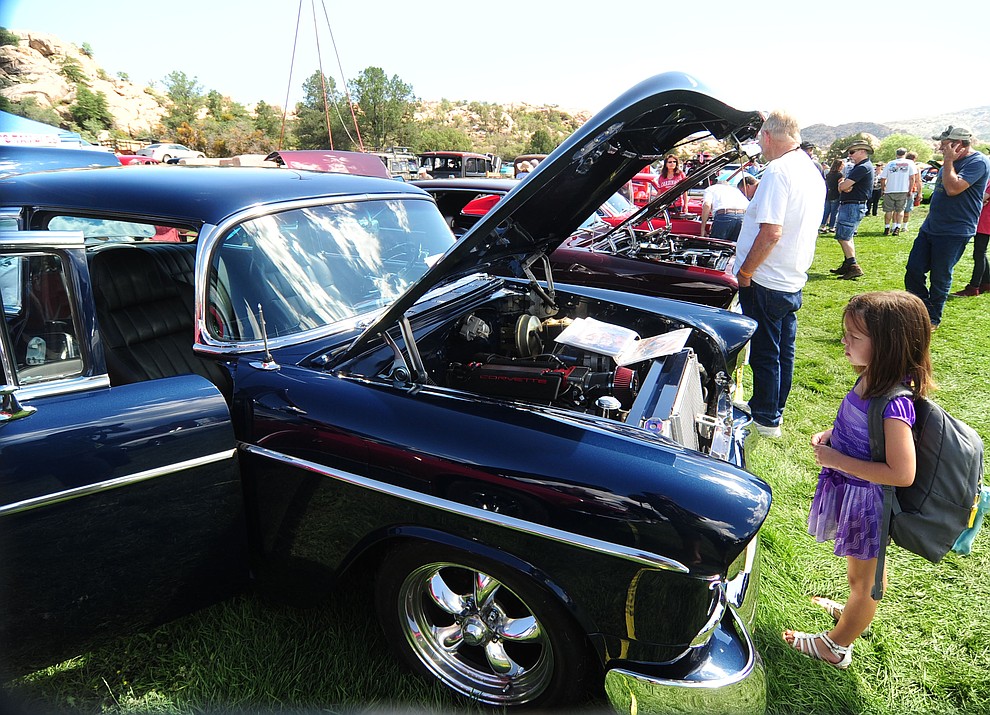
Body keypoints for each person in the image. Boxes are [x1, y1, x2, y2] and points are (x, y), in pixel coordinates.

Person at [784, 290, 931, 669]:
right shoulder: (869, 378)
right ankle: (852, 609)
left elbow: (902, 473)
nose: (844, 342)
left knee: (868, 583)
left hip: (870, 505)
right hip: (853, 493)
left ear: (886, 344)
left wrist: (837, 459)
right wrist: (832, 435)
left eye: (854, 336)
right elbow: (860, 428)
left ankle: (836, 646)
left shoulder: (895, 403)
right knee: (856, 573)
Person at [734, 110, 825, 438]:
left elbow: (771, 232)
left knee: (764, 350)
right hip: (792, 274)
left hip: (767, 277)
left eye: (760, 139)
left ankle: (766, 418)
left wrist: (746, 271)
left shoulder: (778, 171)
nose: (760, 145)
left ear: (768, 136)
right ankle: (772, 407)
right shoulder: (809, 169)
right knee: (783, 348)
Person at [905, 125, 990, 327]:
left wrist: (949, 161)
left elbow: (953, 189)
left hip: (955, 231)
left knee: (940, 276)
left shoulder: (978, 162)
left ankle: (933, 319)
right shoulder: (948, 164)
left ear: (957, 144)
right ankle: (921, 310)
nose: (940, 148)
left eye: (944, 144)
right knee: (914, 270)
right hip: (930, 227)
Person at [830, 140, 875, 280]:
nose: (850, 155)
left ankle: (853, 266)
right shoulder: (862, 166)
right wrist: (843, 184)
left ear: (862, 151)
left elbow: (843, 187)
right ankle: (847, 264)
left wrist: (842, 184)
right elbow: (844, 186)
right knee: (846, 236)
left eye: (852, 152)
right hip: (853, 204)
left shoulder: (862, 168)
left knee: (844, 237)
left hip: (852, 205)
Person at [951, 183, 990, 296]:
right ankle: (986, 283)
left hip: (985, 221)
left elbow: (982, 197)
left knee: (979, 253)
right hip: (984, 220)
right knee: (981, 252)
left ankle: (974, 287)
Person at [880, 148, 919, 236]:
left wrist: (883, 189)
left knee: (888, 210)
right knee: (900, 210)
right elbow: (912, 178)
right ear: (905, 154)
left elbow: (883, 178)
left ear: (896, 154)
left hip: (890, 190)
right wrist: (910, 189)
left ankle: (887, 228)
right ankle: (897, 227)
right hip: (903, 189)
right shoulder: (909, 163)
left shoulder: (890, 163)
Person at [820, 159, 844, 233]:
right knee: (834, 212)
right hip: (835, 194)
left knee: (826, 211)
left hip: (828, 194)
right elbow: (840, 186)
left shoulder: (828, 174)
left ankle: (822, 225)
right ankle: (831, 226)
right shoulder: (840, 175)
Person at [902, 151, 922, 232]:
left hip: (900, 189)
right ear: (914, 158)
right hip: (911, 189)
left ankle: (895, 225)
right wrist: (919, 193)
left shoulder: (901, 165)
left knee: (898, 209)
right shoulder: (915, 167)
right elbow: (918, 181)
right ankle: (904, 226)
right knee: (907, 210)